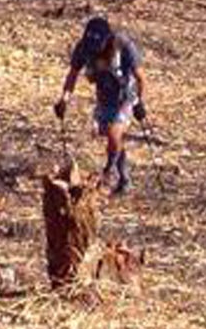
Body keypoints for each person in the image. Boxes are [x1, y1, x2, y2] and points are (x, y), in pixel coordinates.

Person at [53, 15, 147, 194]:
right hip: (104, 95)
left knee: (114, 133)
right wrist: (64, 99)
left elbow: (141, 78)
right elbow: (72, 74)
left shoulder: (123, 45)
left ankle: (109, 170)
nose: (95, 52)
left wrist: (139, 103)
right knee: (114, 139)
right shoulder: (83, 48)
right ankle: (125, 179)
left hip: (126, 95)